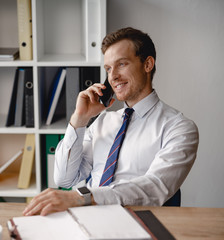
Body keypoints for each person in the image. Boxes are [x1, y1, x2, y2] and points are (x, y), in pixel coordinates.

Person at [23, 27, 199, 216]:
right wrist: (79, 120)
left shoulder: (179, 128)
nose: (113, 76)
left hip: (136, 223)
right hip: (88, 218)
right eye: (108, 68)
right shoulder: (102, 122)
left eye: (121, 64)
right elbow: (64, 179)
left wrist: (82, 197)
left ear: (148, 64)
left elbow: (155, 187)